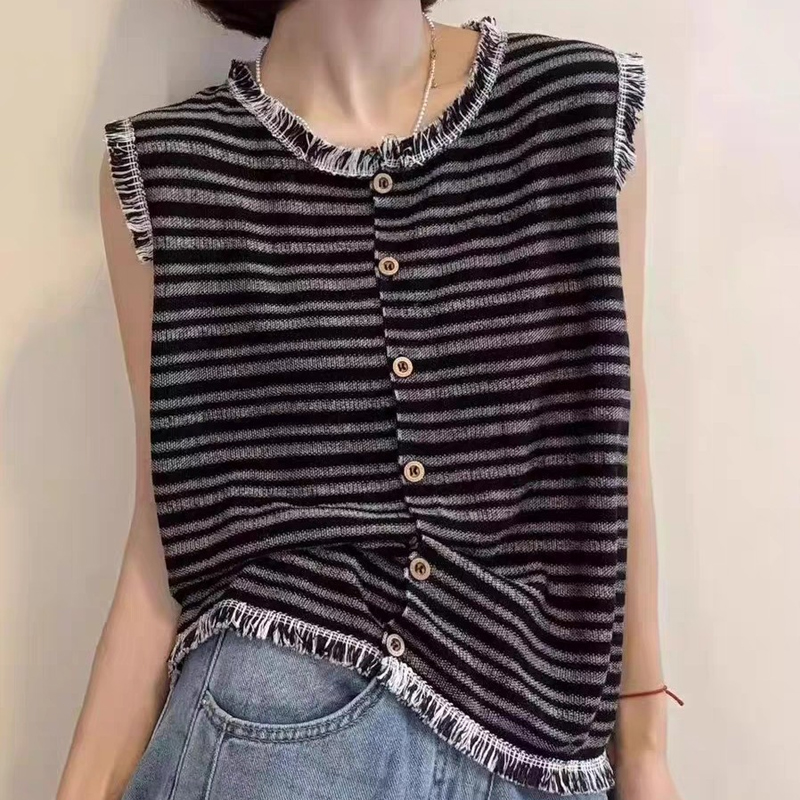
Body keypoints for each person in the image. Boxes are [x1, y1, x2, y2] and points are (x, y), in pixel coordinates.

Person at [57, 2, 683, 799]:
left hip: (543, 750)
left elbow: (617, 450)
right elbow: (165, 531)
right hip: (275, 728)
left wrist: (647, 749)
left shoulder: (576, 110)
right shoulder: (173, 174)